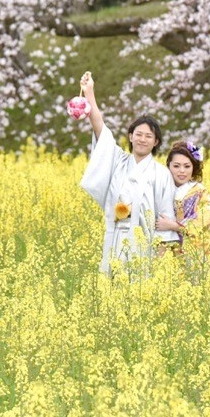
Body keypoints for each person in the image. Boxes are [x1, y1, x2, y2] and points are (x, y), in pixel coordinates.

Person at [77, 71, 178, 275]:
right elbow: (101, 131)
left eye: (148, 136)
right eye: (138, 134)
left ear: (156, 142)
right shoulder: (118, 161)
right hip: (115, 239)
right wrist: (89, 94)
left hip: (145, 244)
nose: (142, 139)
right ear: (130, 137)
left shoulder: (161, 174)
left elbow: (165, 216)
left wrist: (161, 263)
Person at [155, 140, 210, 270]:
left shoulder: (199, 191)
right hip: (168, 253)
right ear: (169, 166)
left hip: (197, 253)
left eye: (187, 166)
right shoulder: (161, 190)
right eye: (176, 166)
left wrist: (175, 226)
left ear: (193, 168)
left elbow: (208, 214)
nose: (181, 171)